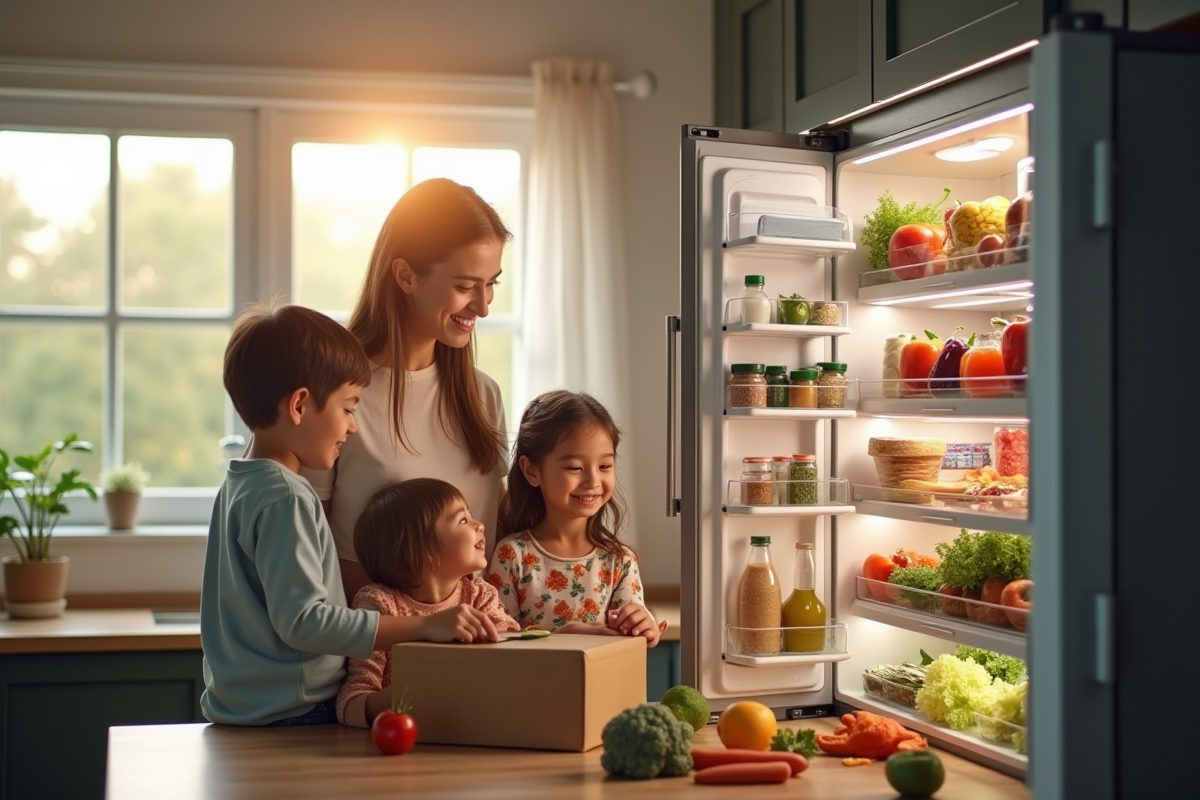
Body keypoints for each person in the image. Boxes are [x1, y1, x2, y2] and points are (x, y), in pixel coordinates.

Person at [201, 304, 502, 727]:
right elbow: (305, 622)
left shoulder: (238, 484)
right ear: (300, 405)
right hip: (297, 709)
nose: (353, 426)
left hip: (240, 706)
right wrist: (422, 626)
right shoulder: (288, 497)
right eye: (348, 407)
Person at [301, 178, 511, 603]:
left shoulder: (483, 396)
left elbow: (506, 538)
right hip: (374, 648)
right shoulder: (335, 394)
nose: (484, 306)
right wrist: (414, 628)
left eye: (492, 283)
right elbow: (309, 548)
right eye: (465, 286)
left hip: (479, 646)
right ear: (406, 276)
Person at [486, 390, 666, 646]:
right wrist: (562, 637)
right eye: (575, 468)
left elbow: (633, 638)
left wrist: (644, 628)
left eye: (605, 466)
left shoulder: (620, 561)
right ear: (531, 470)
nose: (593, 481)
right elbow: (500, 642)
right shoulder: (512, 556)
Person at [336, 478, 520, 728]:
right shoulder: (380, 604)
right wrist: (407, 696)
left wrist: (559, 636)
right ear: (421, 550)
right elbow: (351, 701)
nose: (480, 525)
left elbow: (515, 652)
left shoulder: (480, 594)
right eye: (463, 520)